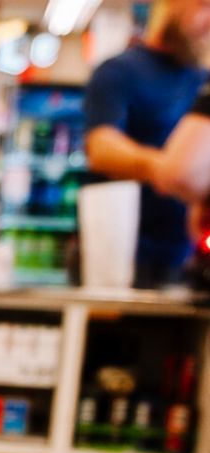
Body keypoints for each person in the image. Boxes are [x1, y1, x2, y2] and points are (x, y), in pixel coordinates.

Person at [84, 0, 210, 287]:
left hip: (186, 255)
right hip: (123, 255)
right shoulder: (118, 71)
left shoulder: (203, 79)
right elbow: (101, 148)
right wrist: (169, 169)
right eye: (203, 6)